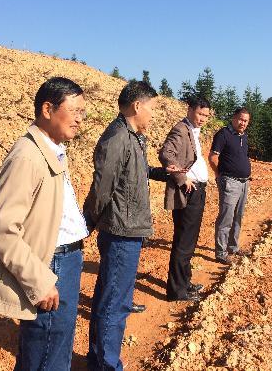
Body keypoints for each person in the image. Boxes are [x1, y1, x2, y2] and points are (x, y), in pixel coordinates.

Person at [0, 77, 88, 370]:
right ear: (48, 110)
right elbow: (2, 227)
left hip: (63, 260)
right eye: (74, 111)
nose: (79, 119)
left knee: (51, 349)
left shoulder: (50, 149)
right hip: (51, 265)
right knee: (47, 355)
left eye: (82, 112)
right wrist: (39, 281)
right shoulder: (27, 156)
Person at [83, 81, 175, 371]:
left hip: (127, 228)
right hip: (121, 231)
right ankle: (106, 365)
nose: (153, 114)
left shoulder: (132, 136)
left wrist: (162, 173)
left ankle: (98, 361)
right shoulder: (117, 138)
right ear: (137, 106)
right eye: (152, 108)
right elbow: (102, 188)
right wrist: (88, 221)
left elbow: (135, 171)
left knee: (110, 298)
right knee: (115, 303)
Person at [159, 96, 211, 302]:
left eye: (206, 115)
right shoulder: (181, 129)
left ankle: (184, 282)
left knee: (189, 240)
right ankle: (177, 291)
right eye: (200, 114)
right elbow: (166, 154)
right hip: (188, 192)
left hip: (197, 191)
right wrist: (182, 178)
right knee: (183, 241)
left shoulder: (193, 130)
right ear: (189, 110)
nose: (203, 119)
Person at [208, 107, 251, 265]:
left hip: (244, 182)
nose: (243, 123)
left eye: (246, 121)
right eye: (240, 119)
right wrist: (219, 175)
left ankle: (233, 247)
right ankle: (221, 253)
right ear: (234, 118)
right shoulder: (223, 134)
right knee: (226, 217)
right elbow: (213, 157)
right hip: (230, 181)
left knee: (238, 216)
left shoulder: (244, 136)